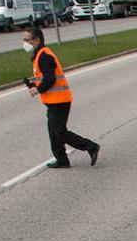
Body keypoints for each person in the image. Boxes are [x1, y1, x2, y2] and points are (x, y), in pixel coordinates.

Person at [24, 26, 100, 169]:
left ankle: (90, 146)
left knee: (59, 132)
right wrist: (34, 84)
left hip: (59, 100)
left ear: (36, 40)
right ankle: (62, 159)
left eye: (27, 40)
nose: (25, 43)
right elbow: (45, 77)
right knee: (53, 132)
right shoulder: (40, 54)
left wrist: (37, 89)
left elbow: (50, 78)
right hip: (53, 100)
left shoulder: (44, 56)